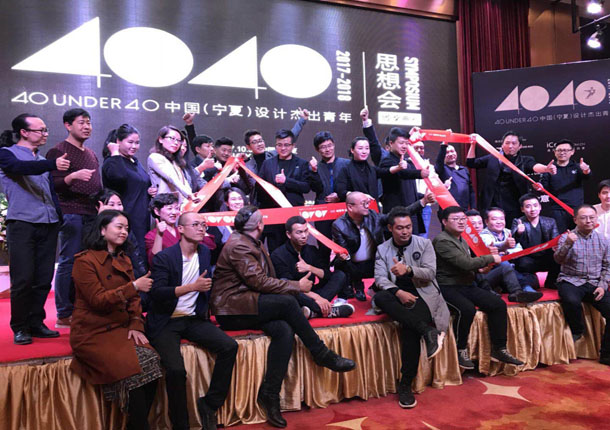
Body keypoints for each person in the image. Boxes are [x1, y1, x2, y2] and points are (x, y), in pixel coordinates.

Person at [211, 206, 356, 428]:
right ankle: (321, 353)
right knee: (288, 302)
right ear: (260, 225)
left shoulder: (249, 241)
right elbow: (259, 282)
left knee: (284, 330)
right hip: (232, 310)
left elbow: (263, 281)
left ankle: (270, 393)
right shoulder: (239, 245)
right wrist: (296, 286)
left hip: (247, 303)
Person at [70, 210, 161, 429]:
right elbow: (98, 300)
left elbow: (134, 301)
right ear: (102, 230)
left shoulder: (123, 258)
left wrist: (136, 324)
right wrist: (133, 286)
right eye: (119, 227)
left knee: (153, 363)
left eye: (127, 228)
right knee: (134, 372)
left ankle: (135, 425)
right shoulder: (84, 261)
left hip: (121, 327)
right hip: (93, 331)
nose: (124, 232)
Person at [147, 212, 237, 430]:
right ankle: (181, 425)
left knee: (229, 346)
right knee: (176, 371)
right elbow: (157, 293)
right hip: (166, 321)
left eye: (203, 225)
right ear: (180, 229)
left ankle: (209, 404)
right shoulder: (165, 257)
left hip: (193, 318)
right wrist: (191, 287)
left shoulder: (204, 252)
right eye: (195, 224)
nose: (201, 229)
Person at [0, 113, 69, 344]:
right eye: (41, 130)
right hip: (22, 223)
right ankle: (20, 327)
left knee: (43, 277)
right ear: (24, 132)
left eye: (46, 129)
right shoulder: (7, 154)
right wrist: (52, 164)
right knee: (23, 279)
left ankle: (36, 322)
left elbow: (50, 192)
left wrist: (59, 217)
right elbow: (19, 168)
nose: (45, 134)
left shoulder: (39, 159)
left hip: (48, 223)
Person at [373, 206, 449, 408]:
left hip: (423, 294)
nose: (405, 231)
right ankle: (427, 331)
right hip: (397, 293)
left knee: (409, 329)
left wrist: (408, 269)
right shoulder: (382, 249)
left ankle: (405, 384)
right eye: (400, 228)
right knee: (380, 297)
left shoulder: (424, 244)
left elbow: (430, 273)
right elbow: (379, 278)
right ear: (391, 228)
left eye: (408, 227)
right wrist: (398, 292)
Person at [433, 206, 523, 369]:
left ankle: (499, 348)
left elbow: (469, 266)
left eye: (463, 219)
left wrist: (481, 269)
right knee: (466, 309)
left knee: (498, 304)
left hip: (466, 284)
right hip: (447, 286)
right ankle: (460, 350)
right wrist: (491, 257)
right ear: (444, 222)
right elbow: (465, 263)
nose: (461, 222)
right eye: (456, 219)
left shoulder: (462, 239)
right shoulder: (442, 240)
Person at [46, 108, 102, 328]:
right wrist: (72, 177)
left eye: (89, 122)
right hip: (70, 212)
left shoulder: (91, 153)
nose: (87, 127)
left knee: (87, 264)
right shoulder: (58, 151)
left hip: (92, 213)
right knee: (69, 261)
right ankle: (63, 313)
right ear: (68, 125)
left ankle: (83, 308)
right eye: (81, 122)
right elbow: (53, 185)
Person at [332, 191, 428, 301]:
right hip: (352, 264)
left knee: (396, 263)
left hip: (374, 261)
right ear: (350, 207)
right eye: (363, 203)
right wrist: (344, 258)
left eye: (368, 202)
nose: (367, 206)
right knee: (340, 263)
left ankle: (375, 288)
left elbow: (397, 215)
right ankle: (346, 295)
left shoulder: (374, 216)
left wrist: (423, 202)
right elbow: (344, 251)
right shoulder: (338, 225)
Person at [554, 204, 610, 365]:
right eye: (584, 218)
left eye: (591, 217)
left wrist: (603, 285)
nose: (588, 221)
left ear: (596, 219)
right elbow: (558, 259)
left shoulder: (603, 240)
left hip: (594, 282)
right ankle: (578, 330)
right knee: (571, 300)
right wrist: (568, 244)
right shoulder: (567, 237)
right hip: (571, 280)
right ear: (575, 220)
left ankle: (606, 354)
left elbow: (607, 266)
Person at [466, 130, 557, 225]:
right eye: (507, 143)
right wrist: (472, 145)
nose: (510, 146)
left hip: (515, 204)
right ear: (502, 145)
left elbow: (534, 166)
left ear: (520, 146)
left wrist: (545, 169)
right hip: (492, 203)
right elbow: (471, 163)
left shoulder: (525, 160)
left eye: (514, 143)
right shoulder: (492, 158)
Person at [271, 216, 353, 319]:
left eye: (306, 231)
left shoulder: (311, 250)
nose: (304, 236)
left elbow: (327, 275)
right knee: (288, 289)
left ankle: (312, 312)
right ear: (288, 234)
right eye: (299, 232)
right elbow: (287, 285)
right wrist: (317, 298)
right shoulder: (278, 255)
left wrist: (310, 268)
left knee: (339, 275)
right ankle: (326, 311)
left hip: (311, 292)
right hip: (296, 294)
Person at [258, 129, 321, 252]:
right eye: (279, 145)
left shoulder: (302, 164)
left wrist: (286, 181)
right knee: (275, 251)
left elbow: (306, 187)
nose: (283, 148)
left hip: (294, 216)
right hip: (274, 217)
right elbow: (260, 188)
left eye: (286, 145)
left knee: (296, 250)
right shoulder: (268, 163)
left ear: (293, 145)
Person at [102, 124, 156, 261]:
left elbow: (139, 183)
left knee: (141, 255)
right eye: (130, 142)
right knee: (128, 255)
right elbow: (118, 177)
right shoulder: (112, 161)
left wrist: (149, 190)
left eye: (137, 143)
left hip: (142, 216)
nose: (134, 146)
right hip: (125, 216)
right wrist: (115, 153)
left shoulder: (134, 162)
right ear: (118, 141)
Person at [465, 209, 539, 303]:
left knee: (530, 276)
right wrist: (503, 246)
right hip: (475, 278)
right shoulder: (479, 236)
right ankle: (520, 289)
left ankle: (518, 291)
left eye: (479, 223)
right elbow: (492, 245)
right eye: (473, 223)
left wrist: (505, 251)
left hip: (497, 271)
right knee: (504, 264)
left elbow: (519, 249)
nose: (477, 226)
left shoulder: (508, 232)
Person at [378, 128, 430, 235]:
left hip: (412, 213)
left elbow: (409, 190)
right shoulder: (387, 160)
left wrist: (425, 197)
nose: (404, 146)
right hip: (396, 215)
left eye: (407, 143)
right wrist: (420, 173)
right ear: (391, 143)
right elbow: (403, 174)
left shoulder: (406, 162)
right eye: (401, 143)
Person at [311, 131, 350, 263]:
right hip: (323, 212)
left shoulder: (346, 164)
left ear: (333, 145)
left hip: (343, 211)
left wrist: (340, 196)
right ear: (317, 149)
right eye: (323, 147)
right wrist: (314, 171)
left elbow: (353, 185)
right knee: (324, 247)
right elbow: (314, 188)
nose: (327, 149)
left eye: (329, 145)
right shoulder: (315, 167)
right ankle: (324, 274)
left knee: (346, 246)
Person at [540, 139, 591, 233]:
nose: (562, 153)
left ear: (572, 152)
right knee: (560, 238)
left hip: (576, 210)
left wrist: (586, 170)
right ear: (554, 152)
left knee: (578, 236)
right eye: (559, 150)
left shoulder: (578, 167)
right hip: (557, 210)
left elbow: (587, 176)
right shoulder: (550, 169)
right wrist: (539, 186)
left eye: (565, 150)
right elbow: (543, 187)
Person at [511, 193, 560, 289]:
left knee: (558, 258)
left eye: (535, 205)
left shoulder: (550, 221)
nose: (532, 209)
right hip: (528, 258)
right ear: (522, 209)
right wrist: (518, 233)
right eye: (528, 206)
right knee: (522, 263)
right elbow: (512, 243)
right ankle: (530, 282)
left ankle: (550, 282)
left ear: (540, 207)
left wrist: (557, 246)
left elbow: (556, 239)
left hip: (546, 256)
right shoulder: (518, 222)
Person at [147, 125, 200, 205]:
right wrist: (189, 194)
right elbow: (172, 177)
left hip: (179, 204)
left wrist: (191, 194)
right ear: (161, 139)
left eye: (179, 140)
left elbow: (183, 182)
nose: (176, 143)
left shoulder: (174, 160)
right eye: (172, 138)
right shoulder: (155, 157)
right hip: (164, 205)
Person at [335, 136, 394, 203]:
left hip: (372, 207)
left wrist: (398, 167)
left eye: (367, 148)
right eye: (360, 148)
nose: (364, 152)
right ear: (352, 150)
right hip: (355, 206)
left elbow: (385, 171)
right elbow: (340, 190)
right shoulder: (346, 170)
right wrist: (361, 196)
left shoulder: (372, 169)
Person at [435, 142, 475, 210]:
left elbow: (471, 191)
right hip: (448, 209)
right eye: (447, 152)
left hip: (464, 208)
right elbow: (439, 163)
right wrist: (444, 146)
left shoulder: (464, 170)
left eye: (452, 151)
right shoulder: (442, 169)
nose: (450, 154)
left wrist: (473, 208)